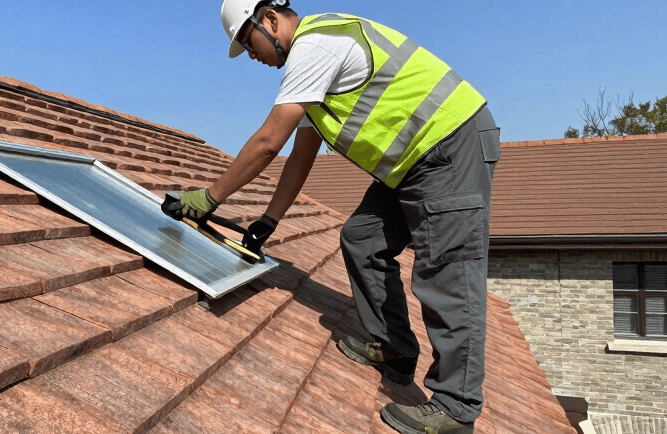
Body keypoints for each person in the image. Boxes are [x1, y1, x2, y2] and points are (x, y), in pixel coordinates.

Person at [169, 1, 500, 433]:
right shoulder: (314, 65)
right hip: (413, 164)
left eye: (248, 43)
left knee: (446, 269)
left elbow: (269, 142)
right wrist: (269, 221)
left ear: (269, 19)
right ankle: (395, 348)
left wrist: (208, 198)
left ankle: (456, 407)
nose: (252, 56)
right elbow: (300, 155)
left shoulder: (316, 47)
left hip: (447, 148)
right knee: (363, 238)